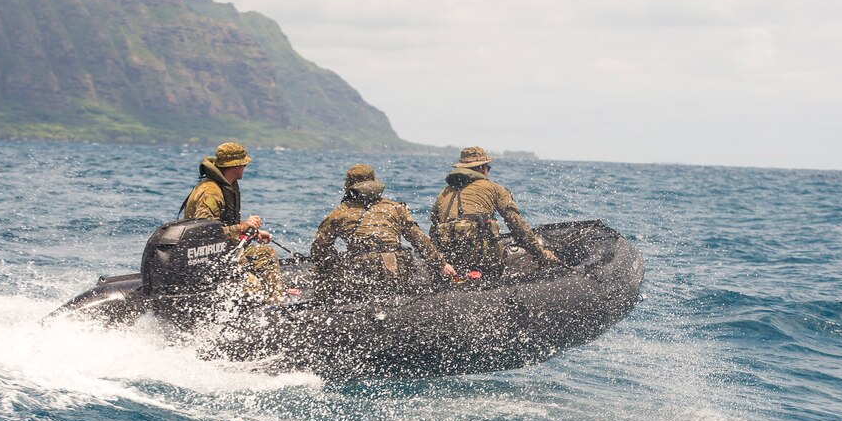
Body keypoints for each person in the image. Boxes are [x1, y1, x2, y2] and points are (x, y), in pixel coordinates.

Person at [311, 164, 455, 301]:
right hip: (398, 271)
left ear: (348, 185)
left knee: (323, 269)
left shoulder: (340, 213)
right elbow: (419, 239)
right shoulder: (395, 208)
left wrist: (331, 265)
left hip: (362, 274)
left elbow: (319, 248)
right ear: (373, 181)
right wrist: (441, 265)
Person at [430, 146, 559, 277]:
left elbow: (434, 230)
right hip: (482, 261)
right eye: (488, 168)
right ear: (482, 168)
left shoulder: (443, 193)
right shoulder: (495, 189)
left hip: (450, 262)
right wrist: (543, 255)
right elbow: (518, 227)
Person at [181, 142, 285, 303]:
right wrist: (242, 227)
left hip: (223, 254)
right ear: (236, 166)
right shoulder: (210, 193)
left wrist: (252, 233)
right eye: (243, 164)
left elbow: (222, 228)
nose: (245, 167)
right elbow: (205, 235)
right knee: (252, 285)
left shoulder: (224, 186)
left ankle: (274, 305)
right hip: (206, 262)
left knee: (266, 254)